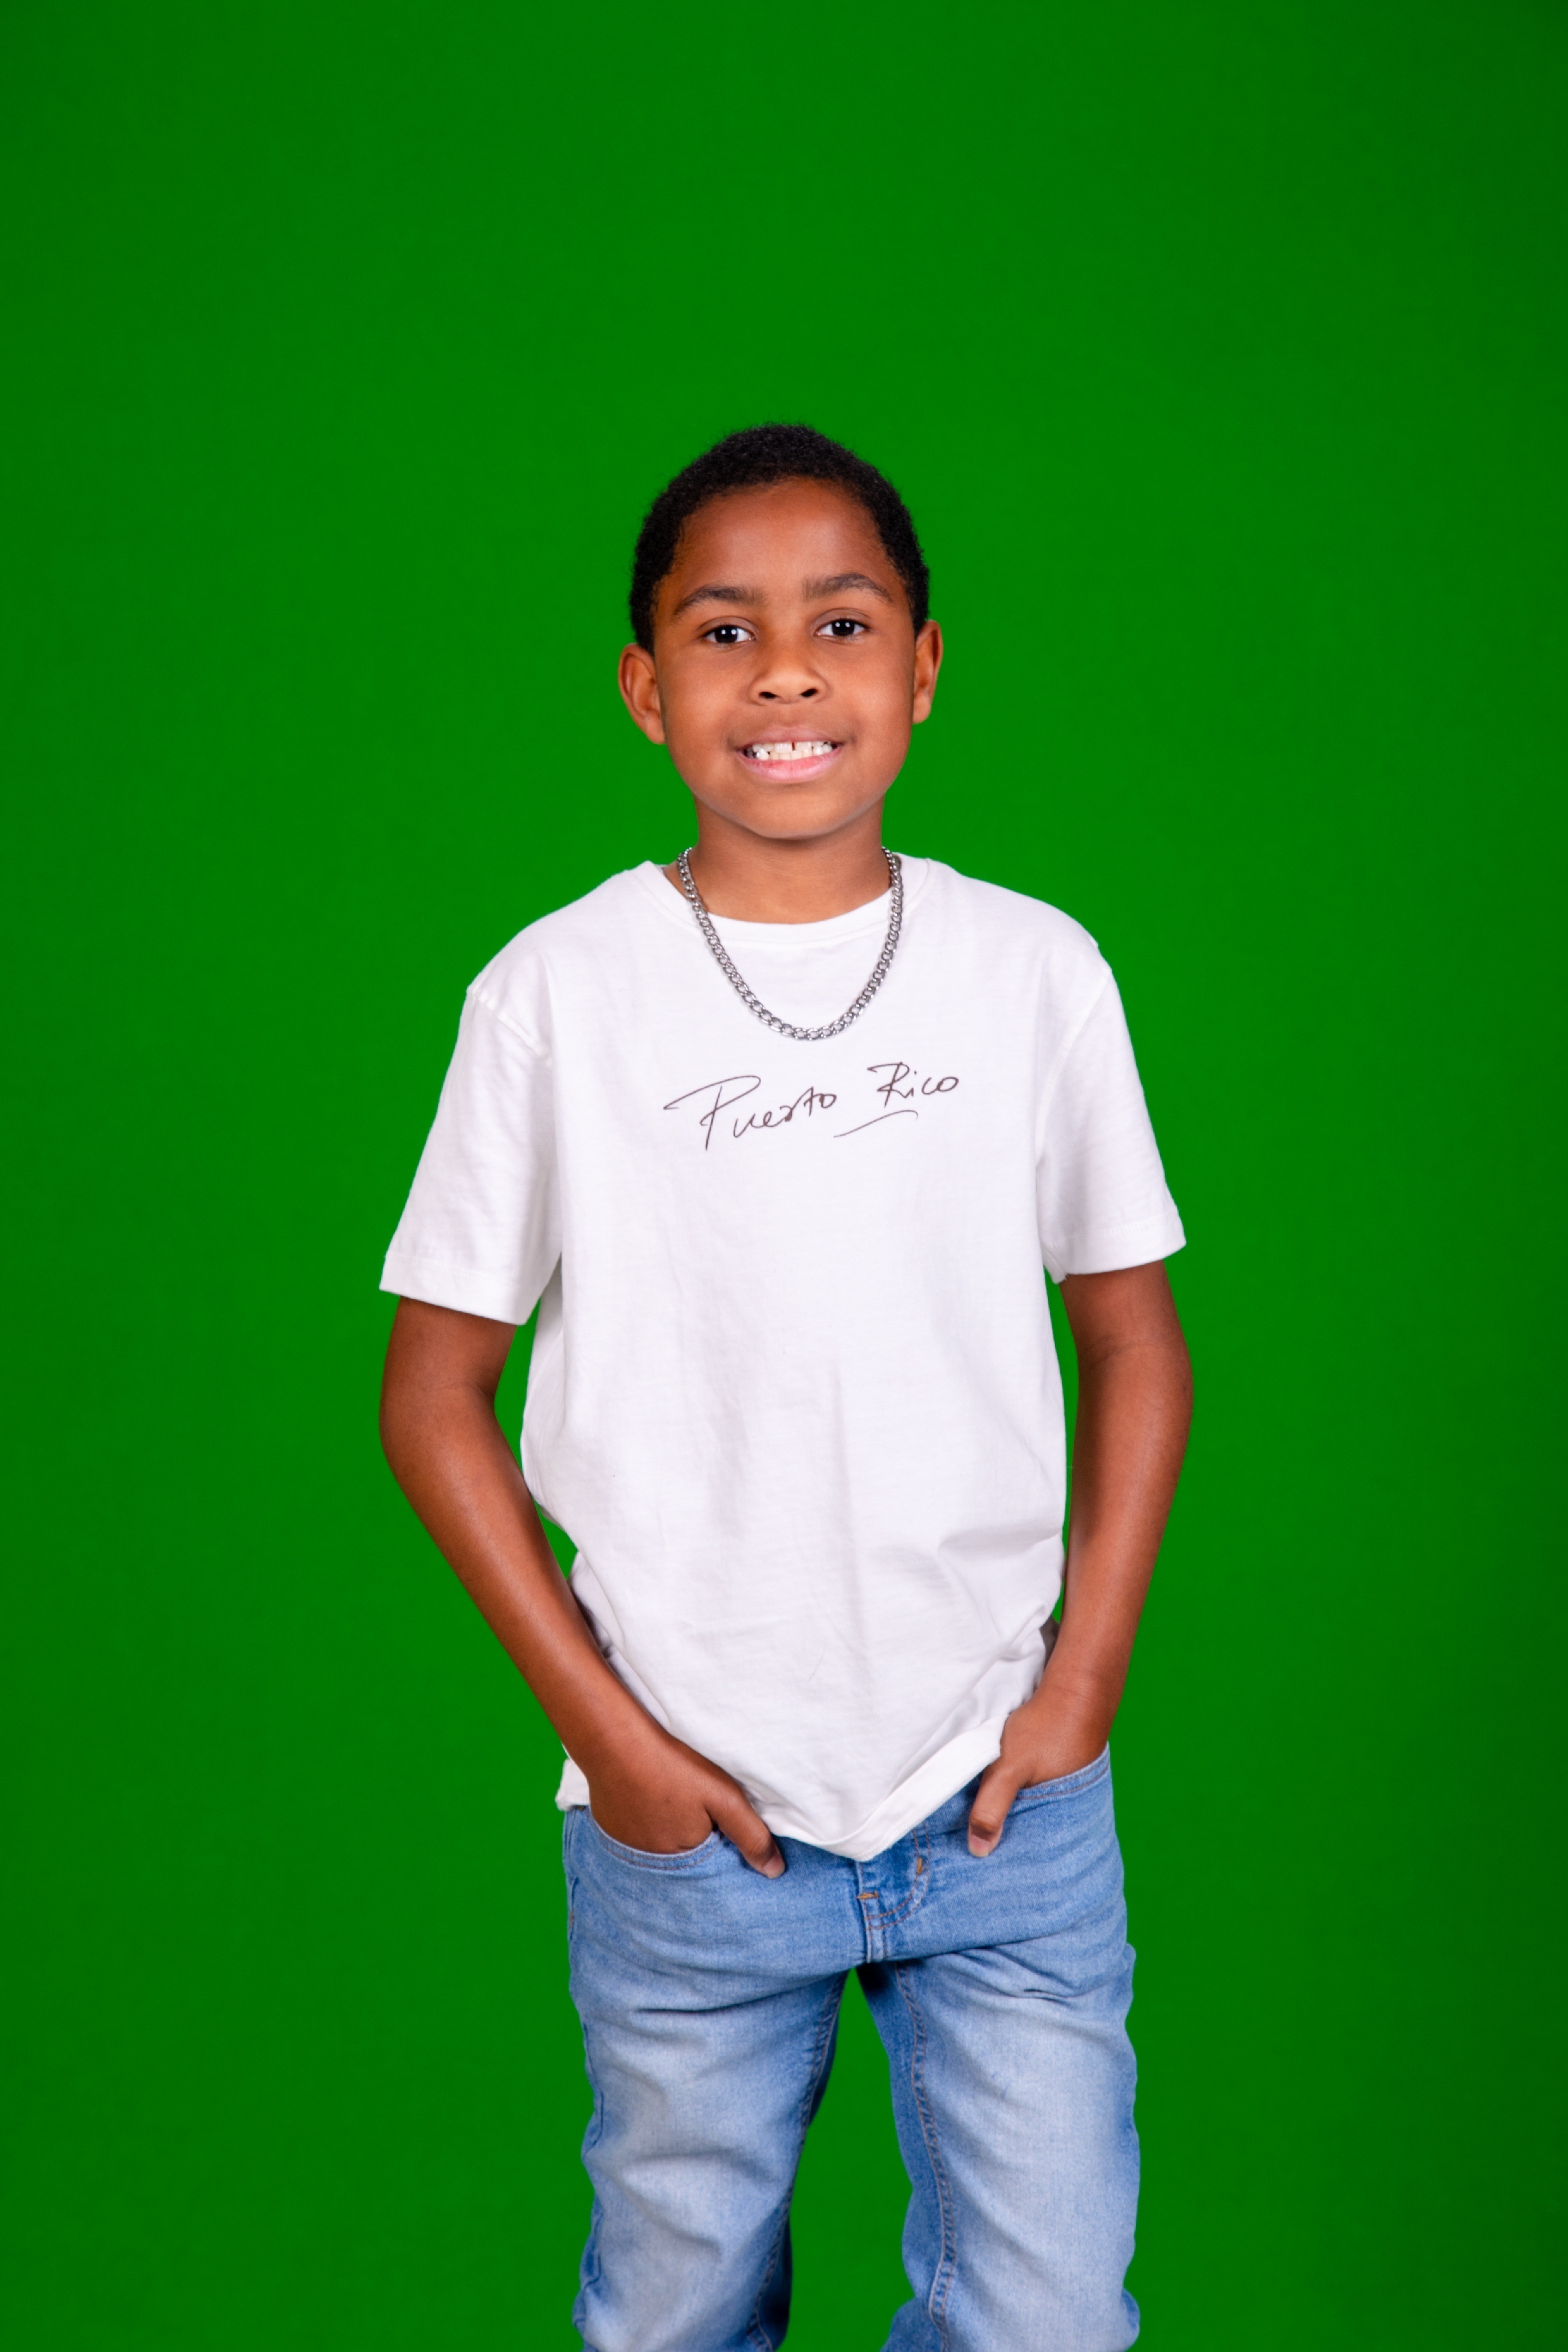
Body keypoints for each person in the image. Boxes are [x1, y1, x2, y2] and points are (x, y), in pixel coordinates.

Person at [378, 422, 1193, 2352]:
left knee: (1052, 2316)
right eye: (724, 631)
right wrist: (614, 1744)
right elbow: (431, 1397)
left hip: (998, 1791)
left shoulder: (1034, 972)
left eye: (841, 623)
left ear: (923, 666)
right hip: (693, 1799)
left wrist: (1081, 1682)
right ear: (646, 687)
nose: (787, 675)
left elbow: (1134, 1341)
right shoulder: (557, 993)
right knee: (674, 2315)